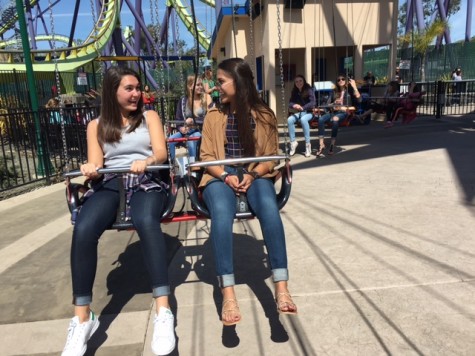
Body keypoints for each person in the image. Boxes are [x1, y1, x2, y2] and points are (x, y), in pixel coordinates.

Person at [61, 67, 175, 356]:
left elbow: (162, 153)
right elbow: (97, 165)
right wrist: (90, 169)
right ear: (113, 92)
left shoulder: (149, 117)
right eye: (129, 88)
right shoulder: (96, 125)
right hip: (111, 182)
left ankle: (163, 310)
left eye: (137, 87)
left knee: (146, 220)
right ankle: (83, 318)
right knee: (84, 227)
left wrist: (147, 160)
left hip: (146, 179)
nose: (136, 93)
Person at [198, 57, 298, 326]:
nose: (216, 87)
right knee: (221, 212)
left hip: (255, 174)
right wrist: (226, 176)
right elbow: (207, 155)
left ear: (238, 82)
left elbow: (270, 157)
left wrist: (253, 174)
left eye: (220, 82)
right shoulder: (214, 116)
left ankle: (281, 285)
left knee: (269, 208)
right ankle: (228, 292)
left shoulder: (263, 115)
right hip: (219, 175)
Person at [168, 75, 211, 162]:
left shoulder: (205, 98)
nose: (200, 87)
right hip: (187, 130)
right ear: (190, 86)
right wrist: (181, 128)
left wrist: (194, 121)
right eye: (198, 85)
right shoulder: (183, 101)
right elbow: (178, 118)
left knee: (191, 140)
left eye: (201, 85)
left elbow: (209, 117)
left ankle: (193, 165)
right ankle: (172, 165)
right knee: (170, 141)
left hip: (200, 130)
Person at [315, 75, 361, 157]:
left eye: (343, 79)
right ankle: (321, 144)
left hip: (344, 112)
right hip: (333, 111)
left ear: (346, 80)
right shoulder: (334, 92)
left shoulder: (350, 91)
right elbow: (328, 104)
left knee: (335, 120)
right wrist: (334, 102)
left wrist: (354, 86)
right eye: (338, 80)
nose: (341, 80)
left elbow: (359, 100)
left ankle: (332, 145)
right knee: (321, 119)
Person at [286, 75, 316, 157]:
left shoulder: (309, 89)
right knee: (289, 120)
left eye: (300, 81)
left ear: (304, 81)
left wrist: (303, 107)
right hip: (300, 113)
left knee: (303, 120)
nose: (298, 83)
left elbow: (313, 102)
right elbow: (290, 103)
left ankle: (307, 144)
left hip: (310, 112)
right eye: (296, 81)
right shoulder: (295, 91)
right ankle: (293, 142)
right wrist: (294, 105)